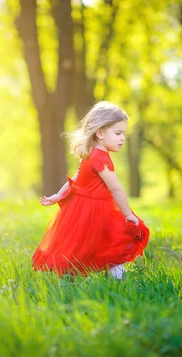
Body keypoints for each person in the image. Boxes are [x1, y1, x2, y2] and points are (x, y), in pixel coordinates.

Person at [32, 101, 149, 279]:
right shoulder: (100, 158)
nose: (122, 138)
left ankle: (112, 276)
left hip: (87, 207)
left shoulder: (92, 153)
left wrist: (58, 195)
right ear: (100, 132)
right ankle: (115, 277)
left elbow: (77, 178)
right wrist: (127, 215)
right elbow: (116, 189)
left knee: (104, 241)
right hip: (95, 210)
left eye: (124, 134)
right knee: (114, 238)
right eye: (118, 133)